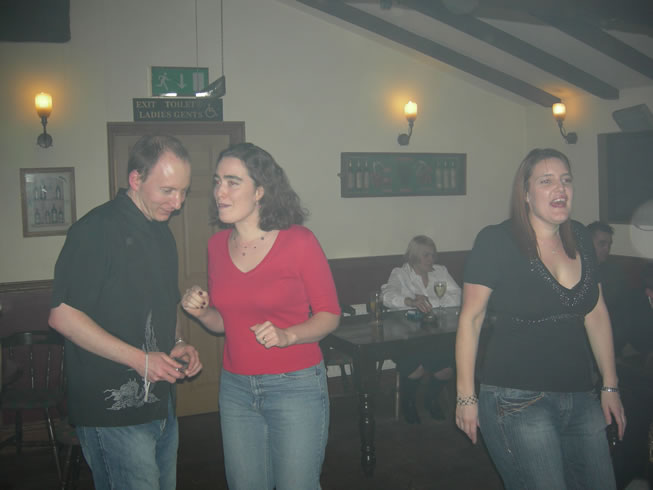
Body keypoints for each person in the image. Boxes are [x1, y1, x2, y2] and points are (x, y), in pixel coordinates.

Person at [455, 148, 625, 489]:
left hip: (580, 393)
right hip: (516, 398)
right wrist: (465, 396)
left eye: (565, 180)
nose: (559, 189)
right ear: (526, 194)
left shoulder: (580, 238)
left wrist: (610, 384)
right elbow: (471, 321)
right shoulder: (497, 240)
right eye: (546, 181)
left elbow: (596, 313)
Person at [181, 142, 341, 490]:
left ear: (261, 191)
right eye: (217, 181)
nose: (220, 192)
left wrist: (288, 335)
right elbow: (226, 322)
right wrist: (203, 312)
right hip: (236, 388)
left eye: (233, 182)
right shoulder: (216, 246)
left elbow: (329, 316)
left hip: (295, 386)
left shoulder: (299, 241)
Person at [48, 134, 202, 490]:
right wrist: (140, 360)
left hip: (159, 402)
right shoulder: (95, 230)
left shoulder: (162, 234)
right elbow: (63, 316)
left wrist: (178, 342)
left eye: (183, 191)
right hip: (111, 411)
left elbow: (165, 304)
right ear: (136, 180)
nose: (177, 203)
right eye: (167, 191)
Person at [381, 235, 461, 423]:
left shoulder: (440, 272)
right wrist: (409, 301)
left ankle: (430, 400)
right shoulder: (401, 274)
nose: (431, 260)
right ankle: (408, 404)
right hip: (408, 335)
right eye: (426, 255)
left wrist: (426, 302)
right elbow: (386, 296)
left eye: (433, 255)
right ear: (414, 256)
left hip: (437, 333)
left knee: (446, 369)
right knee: (414, 368)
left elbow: (457, 296)